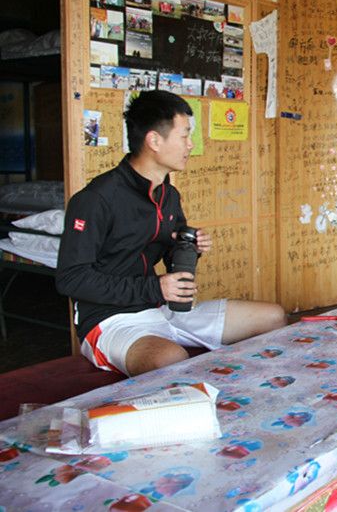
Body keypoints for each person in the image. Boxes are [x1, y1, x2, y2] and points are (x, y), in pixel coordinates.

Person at [57, 90, 287, 377]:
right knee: (170, 358)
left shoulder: (168, 194)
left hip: (164, 309)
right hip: (111, 320)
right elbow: (71, 278)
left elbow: (170, 258)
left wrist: (190, 248)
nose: (191, 145)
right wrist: (155, 288)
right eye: (185, 135)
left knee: (272, 316)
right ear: (154, 140)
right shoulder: (96, 199)